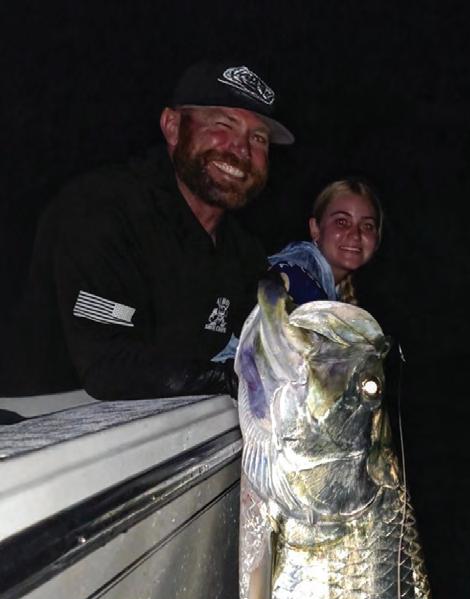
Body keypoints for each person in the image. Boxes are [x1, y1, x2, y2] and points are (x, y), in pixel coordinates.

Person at [3, 59, 294, 400]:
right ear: (172, 127)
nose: (241, 149)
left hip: (163, 422)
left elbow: (277, 333)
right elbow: (107, 366)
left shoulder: (241, 251)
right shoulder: (100, 210)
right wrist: (236, 380)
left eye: (258, 138)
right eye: (222, 124)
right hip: (33, 418)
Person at [267, 178, 383, 305]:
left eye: (367, 226)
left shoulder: (332, 290)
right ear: (315, 229)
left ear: (377, 238)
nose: (355, 235)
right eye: (342, 222)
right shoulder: (295, 272)